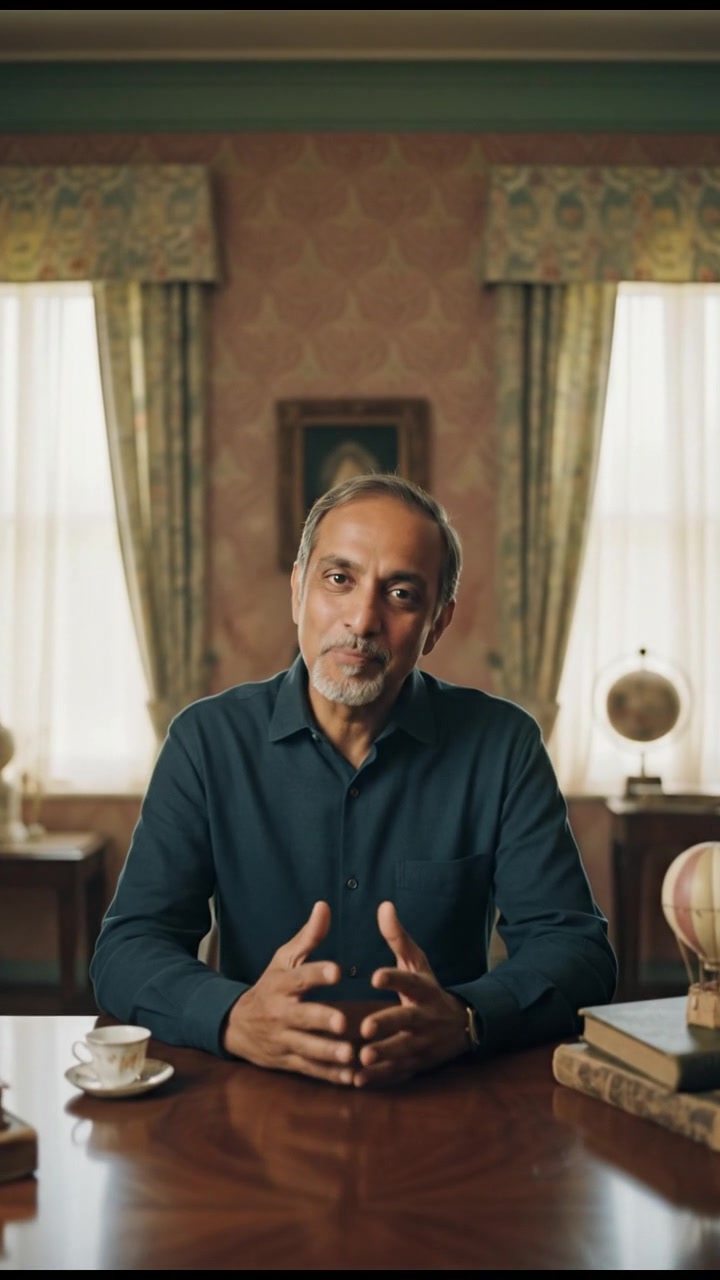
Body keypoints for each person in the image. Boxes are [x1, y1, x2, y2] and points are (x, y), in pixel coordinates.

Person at [90, 473, 617, 1088]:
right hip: (250, 1091)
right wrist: (232, 1017)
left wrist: (467, 1017)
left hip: (445, 1092)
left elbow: (578, 952)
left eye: (399, 593)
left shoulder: (503, 744)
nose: (362, 619)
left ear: (437, 625)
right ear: (297, 591)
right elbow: (128, 949)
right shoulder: (206, 741)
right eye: (338, 580)